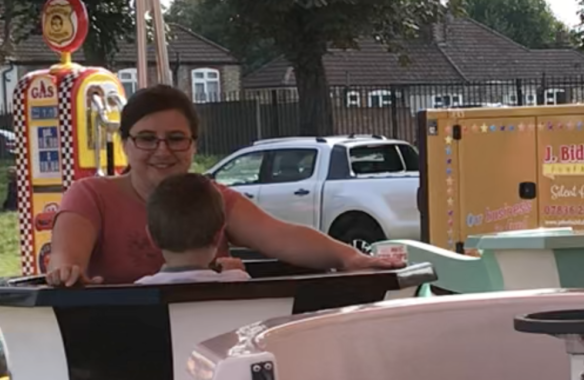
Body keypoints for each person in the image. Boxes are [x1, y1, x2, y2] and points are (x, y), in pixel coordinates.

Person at [45, 84, 397, 286]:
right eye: (147, 138)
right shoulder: (90, 195)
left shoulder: (212, 197)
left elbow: (281, 235)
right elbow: (66, 261)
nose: (162, 150)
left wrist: (350, 257)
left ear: (194, 144)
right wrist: (66, 273)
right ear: (125, 143)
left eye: (176, 138)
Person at [134, 174, 253, 285]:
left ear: (151, 237)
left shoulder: (142, 289)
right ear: (219, 235)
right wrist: (236, 271)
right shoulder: (236, 281)